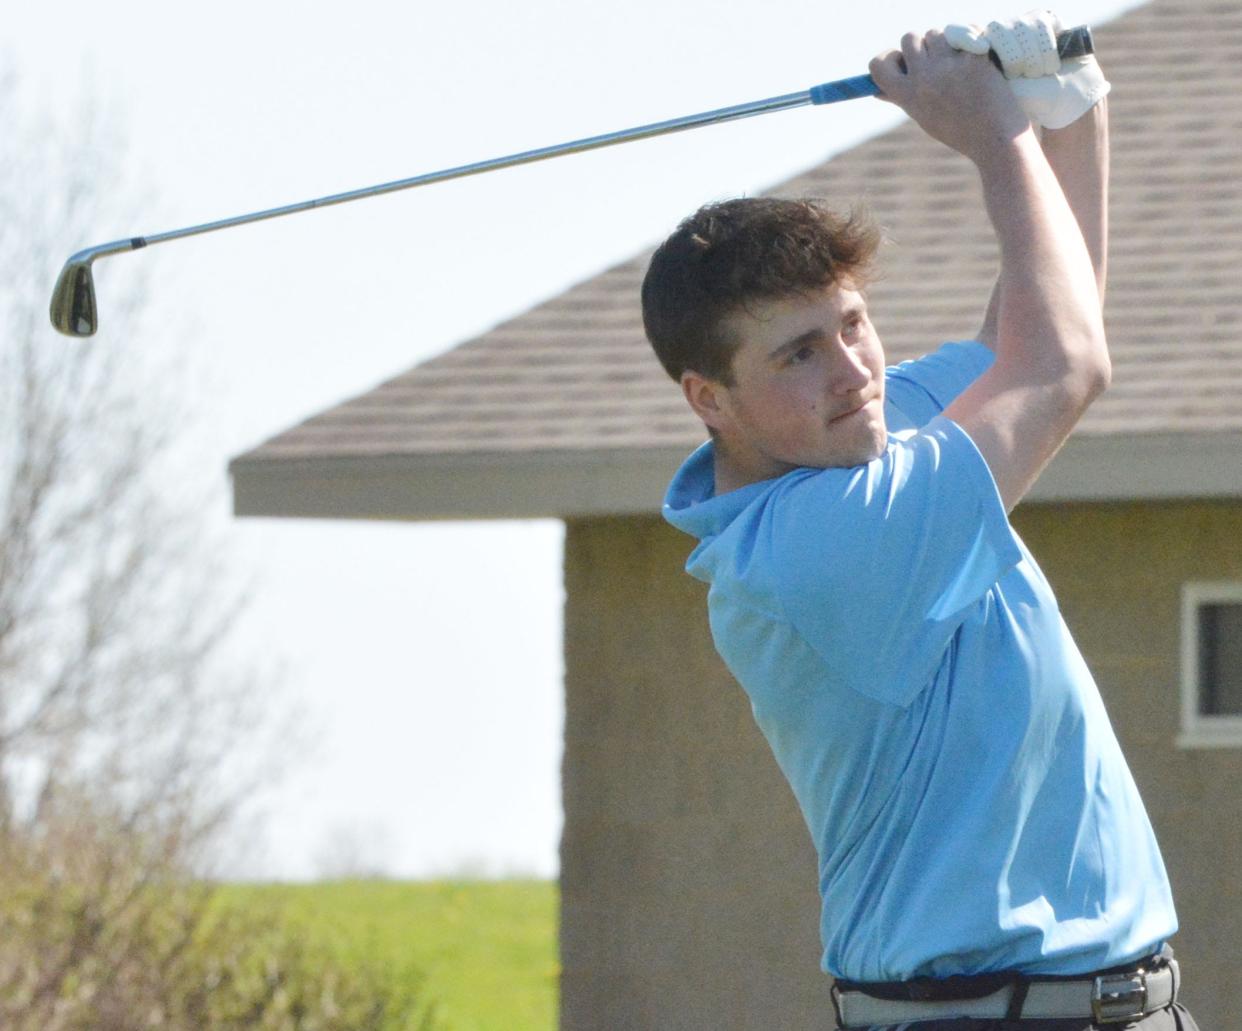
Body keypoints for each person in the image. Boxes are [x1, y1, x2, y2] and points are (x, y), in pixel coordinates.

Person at [641, 12, 1202, 1030]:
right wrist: (992, 133)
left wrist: (1066, 102)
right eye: (797, 352)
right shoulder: (814, 548)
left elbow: (1040, 323)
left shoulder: (862, 437)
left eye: (853, 323)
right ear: (708, 398)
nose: (853, 370)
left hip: (1121, 1004)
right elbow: (1064, 365)